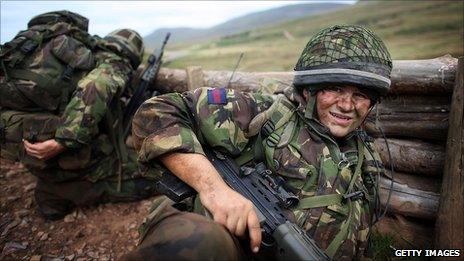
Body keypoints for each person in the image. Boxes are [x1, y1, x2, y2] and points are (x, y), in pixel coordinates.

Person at [123, 25, 391, 260]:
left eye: (360, 95)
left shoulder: (364, 154)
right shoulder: (266, 114)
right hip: (238, 249)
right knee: (197, 240)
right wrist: (215, 191)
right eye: (335, 89)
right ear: (310, 89)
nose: (346, 105)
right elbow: (154, 114)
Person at [0, 11, 159, 220]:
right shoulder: (113, 61)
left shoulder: (40, 52)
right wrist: (64, 140)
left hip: (35, 159)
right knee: (158, 173)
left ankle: (51, 192)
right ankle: (73, 190)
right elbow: (98, 85)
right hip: (75, 161)